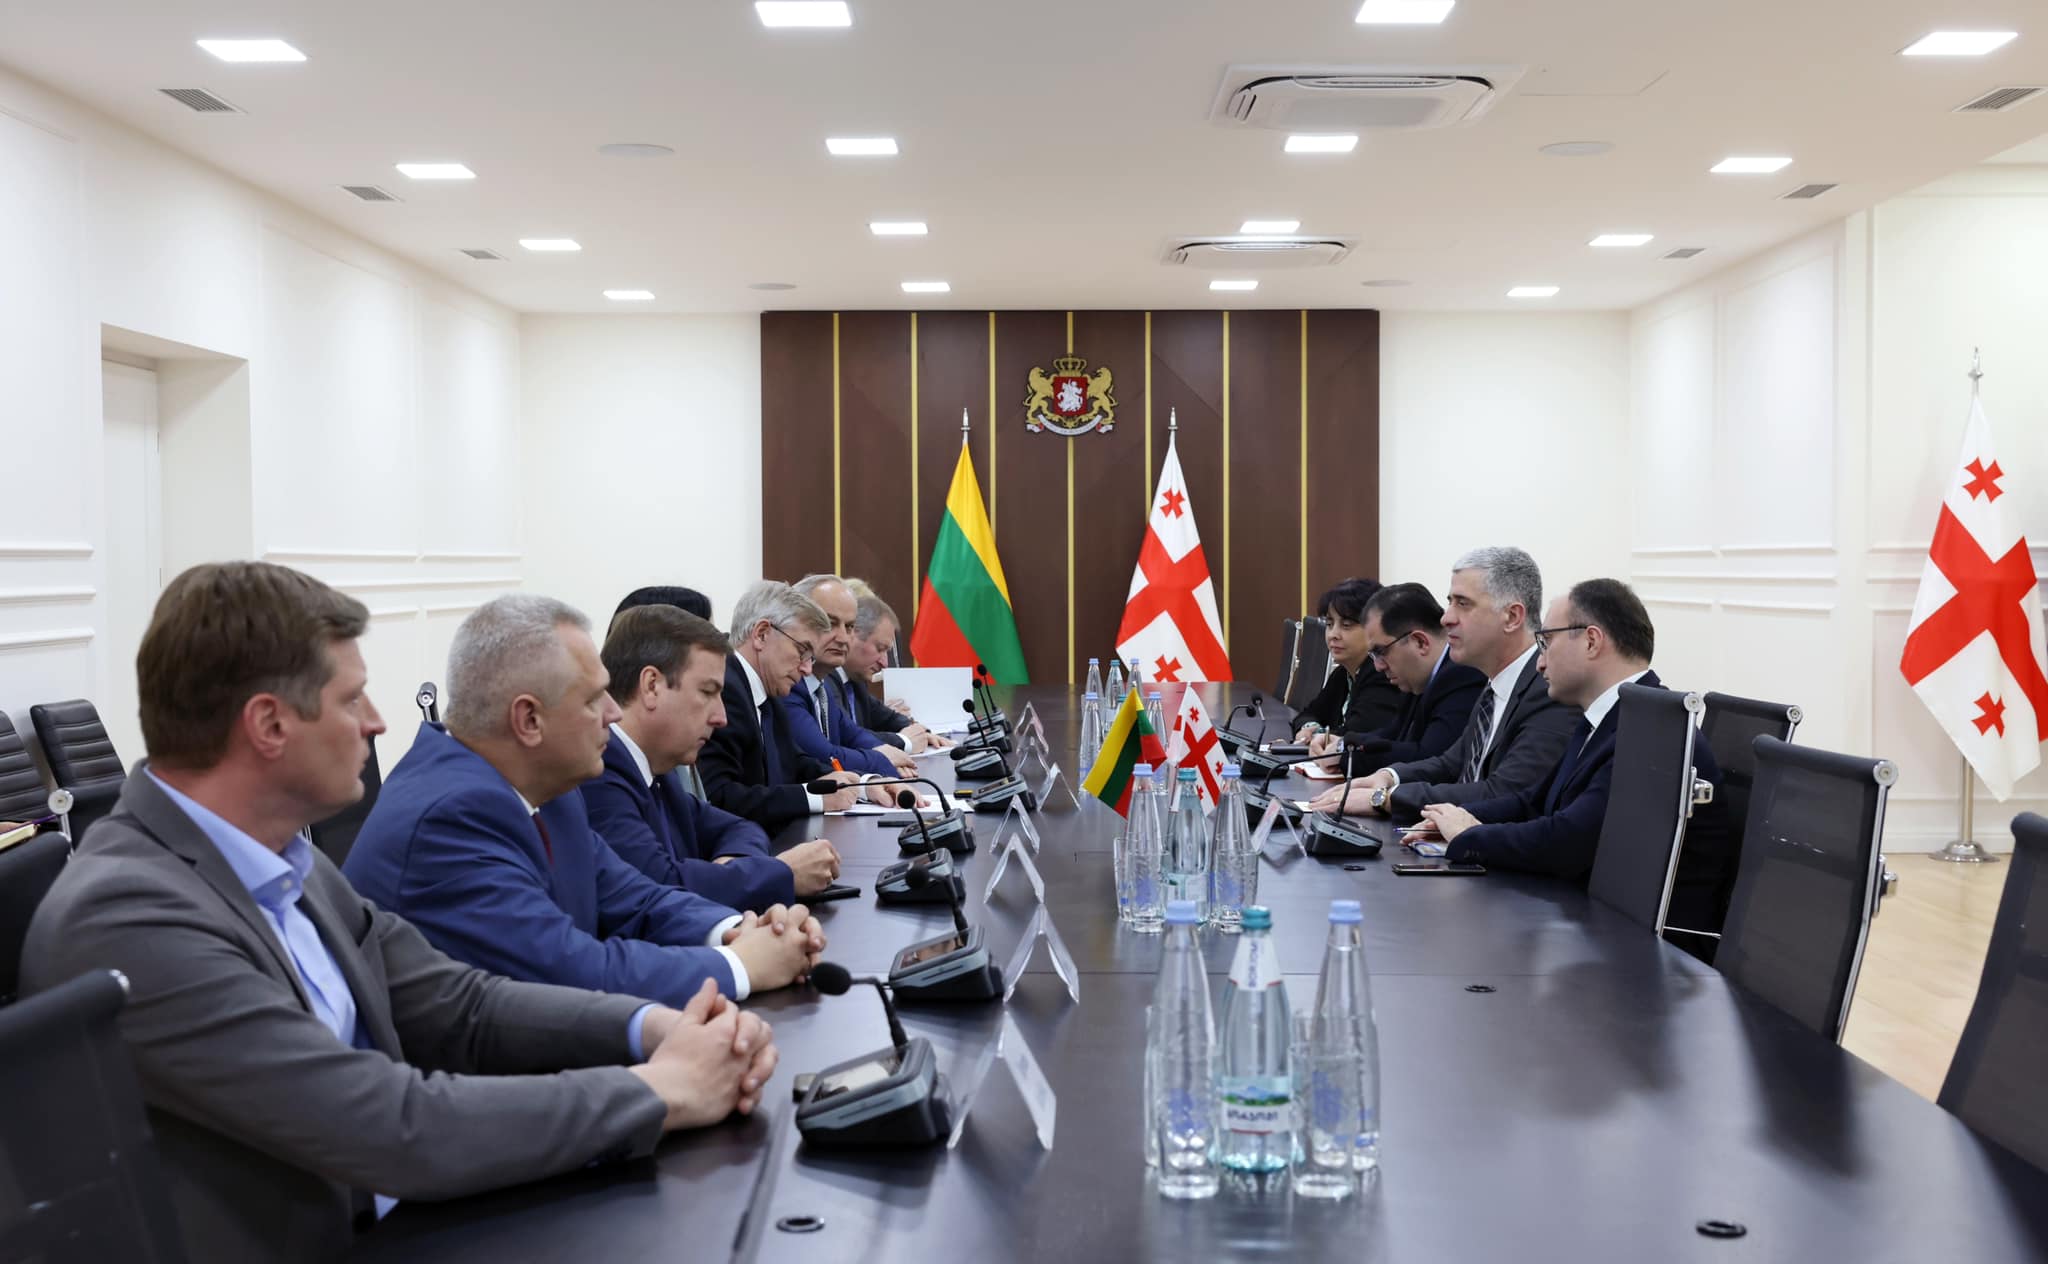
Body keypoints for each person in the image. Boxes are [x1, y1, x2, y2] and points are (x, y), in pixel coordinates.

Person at [21, 562, 776, 1261]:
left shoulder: (285, 862)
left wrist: (653, 1028)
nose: (378, 722)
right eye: (351, 699)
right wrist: (660, 1090)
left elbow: (460, 1002)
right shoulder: (128, 914)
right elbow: (388, 1124)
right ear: (269, 725)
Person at [346, 594, 824, 1007]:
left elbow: (635, 898)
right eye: (594, 699)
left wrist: (736, 930)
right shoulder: (450, 818)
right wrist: (739, 965)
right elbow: (569, 967)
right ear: (529, 720)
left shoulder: (546, 787)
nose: (614, 712)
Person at [1416, 579, 1698, 880]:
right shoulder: (1609, 717)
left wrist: (1469, 835)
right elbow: (1532, 802)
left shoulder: (1651, 730)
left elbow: (1568, 841)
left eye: (1546, 642)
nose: (1539, 663)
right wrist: (1455, 818)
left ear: (1591, 641)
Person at [584, 604, 840, 907]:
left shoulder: (658, 770)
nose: (721, 717)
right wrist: (779, 873)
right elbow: (659, 887)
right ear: (651, 686)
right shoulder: (600, 774)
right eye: (707, 692)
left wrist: (734, 871)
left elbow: (740, 827)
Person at [1308, 547, 1580, 823]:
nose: (1446, 618)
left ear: (1511, 617)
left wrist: (1386, 799)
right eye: (1450, 602)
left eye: (1463, 603)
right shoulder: (1495, 684)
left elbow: (1503, 792)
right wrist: (1389, 777)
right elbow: (1451, 763)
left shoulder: (1549, 690)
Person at [697, 581, 896, 828]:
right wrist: (815, 798)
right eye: (802, 651)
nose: (807, 668)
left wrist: (862, 785)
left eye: (810, 657)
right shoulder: (725, 689)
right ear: (762, 634)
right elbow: (720, 797)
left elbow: (795, 762)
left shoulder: (768, 691)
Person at [1309, 582, 1484, 766]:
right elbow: (1393, 734)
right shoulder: (1417, 677)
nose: (1377, 666)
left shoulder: (1463, 675)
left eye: (1380, 652)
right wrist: (1344, 743)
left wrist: (1348, 756)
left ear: (1420, 642)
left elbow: (1429, 757)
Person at [782, 574, 918, 777]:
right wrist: (883, 759)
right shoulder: (787, 684)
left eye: (849, 627)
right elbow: (825, 756)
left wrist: (888, 753)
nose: (843, 638)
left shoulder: (821, 686)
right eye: (830, 623)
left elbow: (853, 735)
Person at [1290, 578, 1406, 742]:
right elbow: (1307, 714)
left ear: (1374, 628)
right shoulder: (1343, 673)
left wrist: (1318, 737)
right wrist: (1309, 728)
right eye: (1329, 624)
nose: (1333, 635)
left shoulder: (1382, 675)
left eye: (1346, 625)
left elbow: (1355, 737)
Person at [842, 579, 949, 752]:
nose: (885, 663)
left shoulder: (855, 678)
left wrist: (920, 733)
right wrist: (904, 741)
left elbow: (882, 716)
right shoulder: (826, 679)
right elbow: (847, 738)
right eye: (880, 648)